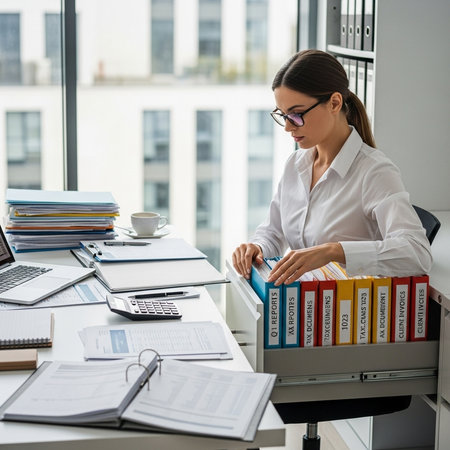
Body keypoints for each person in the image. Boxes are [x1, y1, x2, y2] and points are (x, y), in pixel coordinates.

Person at [232, 49, 432, 284]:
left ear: (334, 103)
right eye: (283, 115)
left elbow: (417, 253)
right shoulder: (295, 165)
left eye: (296, 115)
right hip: (305, 303)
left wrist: (334, 251)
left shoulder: (374, 172)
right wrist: (256, 247)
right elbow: (274, 232)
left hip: (350, 311)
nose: (288, 127)